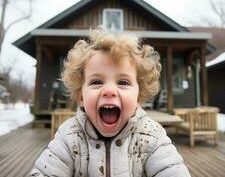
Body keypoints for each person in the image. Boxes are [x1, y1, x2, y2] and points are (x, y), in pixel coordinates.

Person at [30, 28, 191, 177]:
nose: (109, 90)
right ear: (81, 96)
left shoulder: (152, 137)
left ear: (138, 97)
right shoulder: (69, 137)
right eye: (96, 82)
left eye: (123, 82)